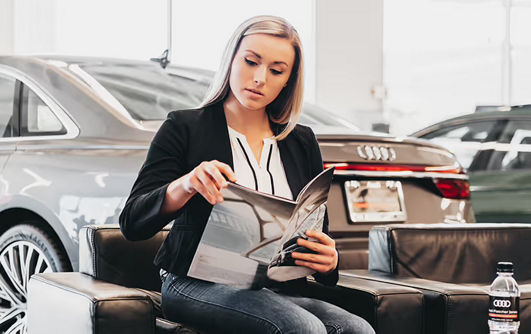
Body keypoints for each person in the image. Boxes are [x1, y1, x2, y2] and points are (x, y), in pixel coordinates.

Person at [117, 15, 374, 334]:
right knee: (302, 327)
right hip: (195, 283)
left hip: (276, 287)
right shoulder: (184, 128)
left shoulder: (301, 141)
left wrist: (328, 260)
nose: (260, 78)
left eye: (276, 71)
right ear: (231, 60)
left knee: (357, 329)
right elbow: (132, 222)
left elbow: (315, 229)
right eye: (251, 62)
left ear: (288, 80)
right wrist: (186, 185)